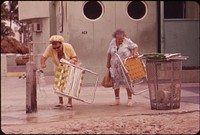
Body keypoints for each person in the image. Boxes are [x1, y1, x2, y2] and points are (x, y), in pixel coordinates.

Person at [40, 35, 78, 110]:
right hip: (58, 67)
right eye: (54, 48)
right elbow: (43, 57)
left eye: (58, 47)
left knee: (69, 84)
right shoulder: (50, 48)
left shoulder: (68, 47)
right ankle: (60, 101)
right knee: (58, 84)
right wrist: (43, 63)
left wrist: (72, 61)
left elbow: (75, 57)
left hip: (69, 66)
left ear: (61, 44)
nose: (56, 49)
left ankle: (69, 102)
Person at [106, 29, 139, 106]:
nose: (121, 40)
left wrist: (134, 52)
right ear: (115, 37)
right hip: (115, 65)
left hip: (125, 65)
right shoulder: (112, 42)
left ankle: (130, 99)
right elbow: (109, 53)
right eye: (119, 39)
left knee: (127, 81)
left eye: (122, 39)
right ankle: (117, 99)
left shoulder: (127, 41)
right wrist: (108, 63)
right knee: (115, 82)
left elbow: (135, 46)